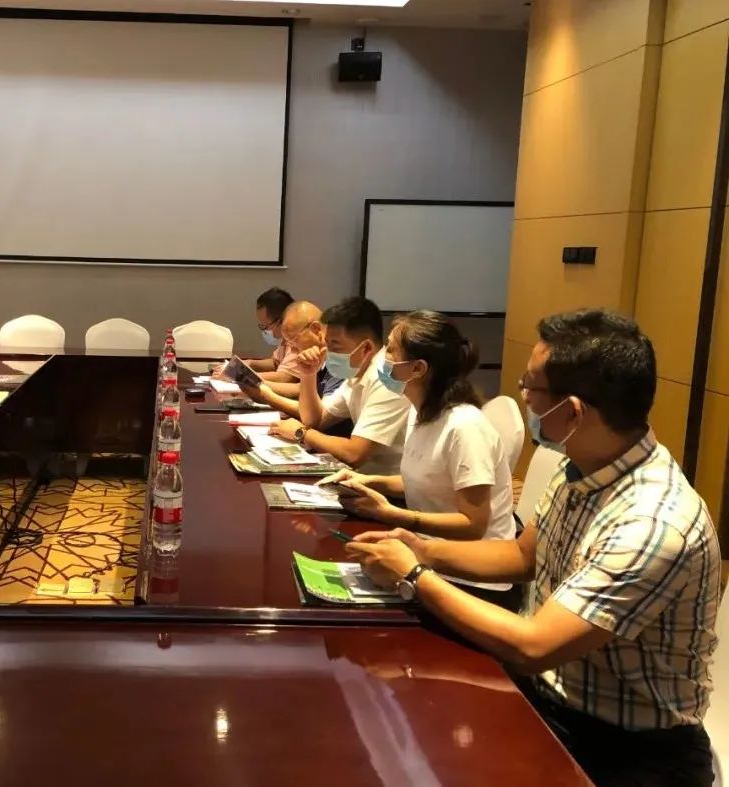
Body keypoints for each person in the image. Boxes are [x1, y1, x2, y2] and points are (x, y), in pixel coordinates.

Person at [346, 309, 719, 786]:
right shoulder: (579, 467)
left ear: (573, 411)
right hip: (552, 701)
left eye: (530, 387)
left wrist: (415, 576)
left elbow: (535, 646)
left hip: (627, 750)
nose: (520, 396)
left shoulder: (651, 522)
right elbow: (522, 556)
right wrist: (420, 549)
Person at [320, 311, 519, 609]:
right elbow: (426, 480)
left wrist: (392, 513)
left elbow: (473, 524)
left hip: (472, 582)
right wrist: (368, 481)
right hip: (427, 554)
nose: (382, 357)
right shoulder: (419, 411)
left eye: (390, 350)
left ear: (417, 368)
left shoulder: (465, 426)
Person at [268, 297, 410, 474]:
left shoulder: (387, 379)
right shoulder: (356, 373)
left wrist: (301, 433)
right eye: (326, 343)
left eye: (335, 345)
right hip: (360, 477)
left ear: (366, 348)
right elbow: (315, 420)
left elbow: (354, 454)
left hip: (384, 484)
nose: (326, 351)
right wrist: (308, 374)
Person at [246, 301, 344, 417]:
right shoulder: (318, 357)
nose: (292, 350)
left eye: (295, 340)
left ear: (316, 329)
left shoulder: (340, 360)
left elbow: (320, 418)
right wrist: (259, 385)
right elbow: (302, 391)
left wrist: (268, 396)